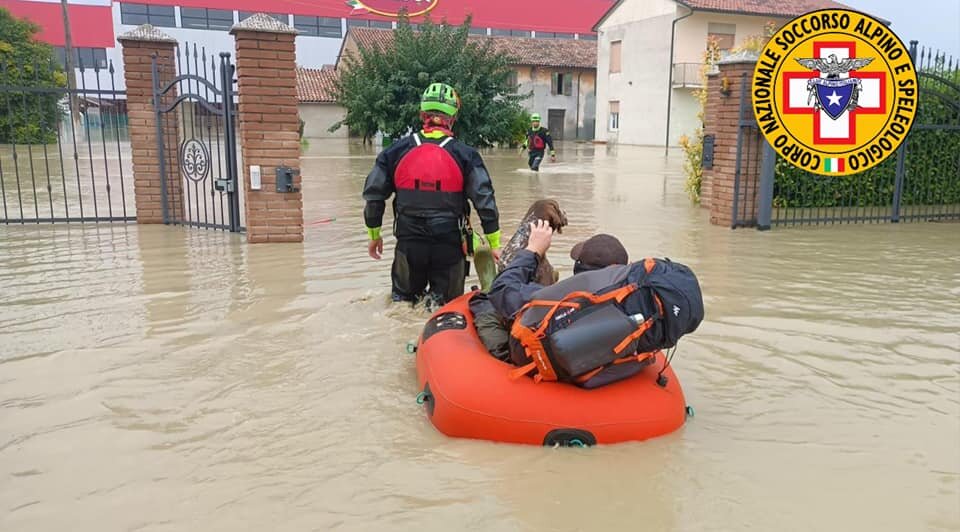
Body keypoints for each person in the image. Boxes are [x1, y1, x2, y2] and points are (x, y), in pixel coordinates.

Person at [362, 82, 502, 306]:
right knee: (445, 309)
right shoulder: (466, 155)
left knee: (403, 304)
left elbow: (374, 196)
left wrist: (374, 235)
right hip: (448, 244)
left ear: (422, 115)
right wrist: (494, 243)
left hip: (408, 242)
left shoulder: (395, 152)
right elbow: (485, 201)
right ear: (453, 117)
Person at [471, 220, 629, 361]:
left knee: (487, 306)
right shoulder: (633, 300)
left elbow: (501, 290)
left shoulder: (556, 301)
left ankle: (486, 286)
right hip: (597, 359)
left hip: (548, 361)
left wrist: (532, 251)